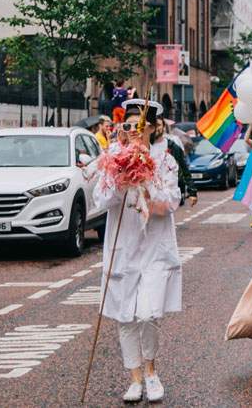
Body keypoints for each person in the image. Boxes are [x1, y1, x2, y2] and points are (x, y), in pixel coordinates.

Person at [93, 99, 182, 402]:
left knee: (146, 314)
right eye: (128, 125)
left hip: (154, 249)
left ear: (153, 128)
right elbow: (100, 200)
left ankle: (151, 370)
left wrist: (146, 184)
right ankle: (134, 379)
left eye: (139, 125)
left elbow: (170, 203)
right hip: (123, 249)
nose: (133, 131)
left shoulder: (165, 160)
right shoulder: (112, 157)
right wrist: (121, 180)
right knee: (125, 316)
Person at [152, 116, 197, 207]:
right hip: (151, 194)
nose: (156, 128)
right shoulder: (146, 146)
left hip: (169, 193)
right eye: (153, 125)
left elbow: (184, 169)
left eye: (158, 125)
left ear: (164, 127)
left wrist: (192, 192)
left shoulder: (173, 147)